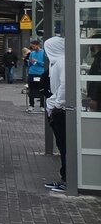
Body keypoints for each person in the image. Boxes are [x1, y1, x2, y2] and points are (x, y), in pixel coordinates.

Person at [43, 35, 67, 192]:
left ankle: (67, 180)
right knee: (62, 145)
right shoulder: (58, 62)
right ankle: (65, 178)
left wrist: (57, 104)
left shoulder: (62, 62)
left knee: (65, 146)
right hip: (58, 108)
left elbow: (64, 86)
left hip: (61, 111)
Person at [25, 40, 45, 112]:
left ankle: (42, 105)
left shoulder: (43, 53)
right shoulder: (32, 53)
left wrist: (37, 61)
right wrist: (29, 62)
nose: (32, 47)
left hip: (40, 73)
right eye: (32, 46)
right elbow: (29, 64)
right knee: (31, 89)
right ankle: (31, 105)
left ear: (38, 45)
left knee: (42, 89)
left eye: (33, 46)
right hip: (32, 72)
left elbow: (44, 64)